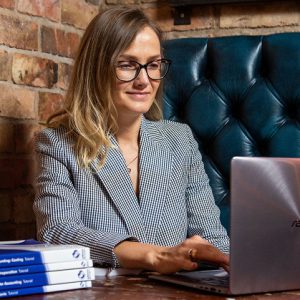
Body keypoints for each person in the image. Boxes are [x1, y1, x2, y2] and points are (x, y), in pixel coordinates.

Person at [33, 6, 229, 274]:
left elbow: (213, 238)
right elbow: (57, 231)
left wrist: (237, 269)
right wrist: (153, 256)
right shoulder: (57, 143)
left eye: (153, 65)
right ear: (96, 69)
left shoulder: (180, 140)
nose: (144, 80)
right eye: (127, 65)